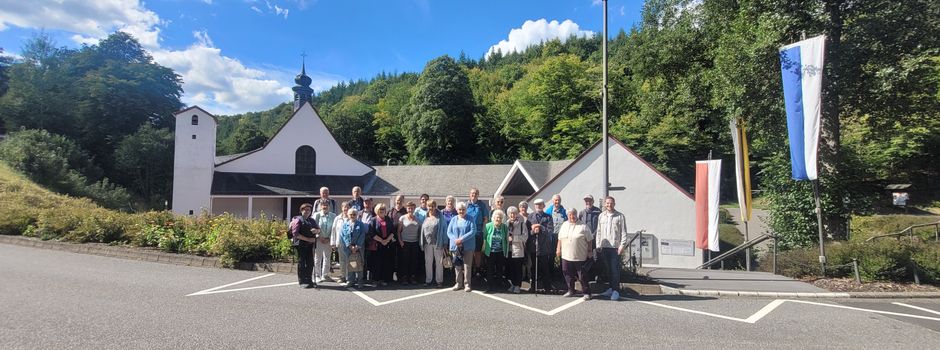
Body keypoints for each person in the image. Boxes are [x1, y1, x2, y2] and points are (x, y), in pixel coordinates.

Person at [596, 196, 628, 301]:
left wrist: (622, 246)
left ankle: (616, 291)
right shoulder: (601, 216)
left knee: (615, 270)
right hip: (604, 246)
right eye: (607, 203)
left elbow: (624, 232)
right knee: (608, 269)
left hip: (615, 247)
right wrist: (598, 245)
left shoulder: (620, 216)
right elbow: (599, 232)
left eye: (611, 203)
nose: (609, 205)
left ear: (614, 204)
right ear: (605, 204)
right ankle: (610, 288)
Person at [557, 208, 594, 300]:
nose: (571, 216)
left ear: (576, 215)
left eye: (573, 214)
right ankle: (571, 290)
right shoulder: (564, 225)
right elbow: (560, 238)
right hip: (566, 255)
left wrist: (589, 251)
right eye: (569, 215)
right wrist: (558, 249)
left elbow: (590, 240)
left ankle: (587, 293)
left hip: (579, 256)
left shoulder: (583, 226)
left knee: (582, 276)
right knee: (567, 273)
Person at [447, 202, 476, 292]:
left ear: (466, 210)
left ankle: (467, 284)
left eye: (463, 209)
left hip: (468, 246)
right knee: (457, 265)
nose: (461, 211)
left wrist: (462, 239)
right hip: (456, 246)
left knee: (467, 266)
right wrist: (456, 240)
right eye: (460, 209)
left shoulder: (470, 219)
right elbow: (449, 232)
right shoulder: (453, 219)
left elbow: (473, 231)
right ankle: (458, 283)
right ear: (457, 210)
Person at [290, 203, 321, 289]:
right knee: (302, 263)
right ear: (301, 210)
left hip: (310, 245)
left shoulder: (312, 220)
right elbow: (295, 234)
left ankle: (309, 280)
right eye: (305, 210)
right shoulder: (298, 220)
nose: (307, 211)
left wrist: (316, 231)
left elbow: (319, 230)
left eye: (309, 210)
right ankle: (302, 281)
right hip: (300, 245)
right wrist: (308, 239)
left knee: (310, 263)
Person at [527, 198, 554, 292]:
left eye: (540, 204)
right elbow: (527, 232)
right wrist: (533, 231)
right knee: (533, 268)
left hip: (544, 247)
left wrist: (540, 227)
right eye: (536, 205)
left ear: (543, 206)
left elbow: (550, 231)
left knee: (545, 268)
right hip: (533, 246)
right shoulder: (530, 217)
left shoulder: (548, 217)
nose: (538, 206)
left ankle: (547, 287)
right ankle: (533, 287)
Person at [420, 200, 448, 287]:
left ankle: (439, 281)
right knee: (428, 262)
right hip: (427, 243)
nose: (430, 208)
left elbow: (444, 230)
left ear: (435, 206)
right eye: (429, 206)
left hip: (438, 243)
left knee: (439, 263)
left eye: (432, 206)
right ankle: (428, 280)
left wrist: (445, 242)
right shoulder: (425, 216)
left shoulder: (440, 217)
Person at [368, 203, 396, 286]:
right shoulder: (373, 220)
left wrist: (387, 240)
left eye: (383, 209)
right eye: (380, 209)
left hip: (387, 244)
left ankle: (384, 279)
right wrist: (381, 241)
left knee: (386, 262)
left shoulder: (389, 219)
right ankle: (375, 279)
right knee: (376, 263)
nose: (382, 211)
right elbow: (371, 233)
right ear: (377, 211)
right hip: (377, 245)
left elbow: (393, 231)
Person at [482, 209, 509, 292]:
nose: (498, 219)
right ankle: (489, 286)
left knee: (500, 270)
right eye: (497, 218)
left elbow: (506, 239)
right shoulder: (488, 226)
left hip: (500, 252)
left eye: (500, 218)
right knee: (490, 270)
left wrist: (506, 251)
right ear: (493, 218)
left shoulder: (504, 227)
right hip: (490, 252)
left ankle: (499, 285)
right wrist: (483, 250)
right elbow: (484, 238)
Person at [340, 208, 367, 289]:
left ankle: (360, 281)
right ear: (348, 215)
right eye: (350, 214)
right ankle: (351, 281)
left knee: (359, 264)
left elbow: (362, 235)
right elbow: (343, 235)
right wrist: (349, 246)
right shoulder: (345, 224)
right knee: (351, 264)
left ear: (357, 215)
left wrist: (357, 246)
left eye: (354, 214)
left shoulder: (360, 224)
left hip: (359, 248)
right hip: (348, 248)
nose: (352, 216)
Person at [397, 201, 422, 285]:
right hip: (405, 242)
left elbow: (419, 232)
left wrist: (419, 242)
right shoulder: (402, 218)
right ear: (406, 209)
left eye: (412, 208)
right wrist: (400, 241)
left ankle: (412, 277)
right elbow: (398, 232)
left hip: (415, 242)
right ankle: (404, 278)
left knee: (414, 261)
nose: (410, 209)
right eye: (408, 208)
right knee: (405, 261)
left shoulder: (418, 219)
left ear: (414, 208)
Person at [465, 188, 489, 274]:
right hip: (468, 232)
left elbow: (485, 218)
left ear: (478, 195)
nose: (473, 195)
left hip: (478, 231)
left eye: (475, 193)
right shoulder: (466, 205)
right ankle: (469, 269)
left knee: (477, 252)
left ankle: (478, 269)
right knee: (469, 251)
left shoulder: (481, 205)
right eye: (472, 193)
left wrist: (483, 230)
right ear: (469, 194)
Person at [506, 206, 529, 294]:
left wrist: (514, 238)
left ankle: (518, 286)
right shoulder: (506, 224)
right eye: (511, 213)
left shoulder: (522, 224)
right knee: (511, 268)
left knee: (518, 269)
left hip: (518, 249)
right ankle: (512, 284)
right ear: (508, 215)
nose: (512, 215)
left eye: (514, 213)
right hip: (509, 249)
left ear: (517, 214)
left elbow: (525, 237)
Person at [312, 201, 337, 283]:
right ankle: (317, 275)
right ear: (320, 206)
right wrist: (319, 236)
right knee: (318, 258)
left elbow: (334, 228)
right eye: (323, 205)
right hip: (319, 240)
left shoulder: (333, 216)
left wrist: (329, 238)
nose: (325, 206)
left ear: (329, 206)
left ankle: (325, 275)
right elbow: (313, 227)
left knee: (327, 258)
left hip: (328, 240)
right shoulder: (316, 215)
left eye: (326, 205)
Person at [545, 194, 566, 279]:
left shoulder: (564, 211)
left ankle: (561, 275)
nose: (557, 202)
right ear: (553, 201)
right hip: (551, 237)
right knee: (551, 255)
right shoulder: (548, 211)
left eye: (558, 200)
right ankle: (550, 274)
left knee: (562, 256)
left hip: (561, 237)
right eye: (555, 200)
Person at [331, 201, 351, 283]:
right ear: (342, 208)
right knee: (342, 260)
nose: (346, 208)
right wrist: (333, 242)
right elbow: (333, 230)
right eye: (344, 207)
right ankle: (343, 276)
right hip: (340, 242)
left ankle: (350, 277)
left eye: (347, 207)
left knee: (350, 260)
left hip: (350, 243)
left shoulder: (352, 217)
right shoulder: (337, 218)